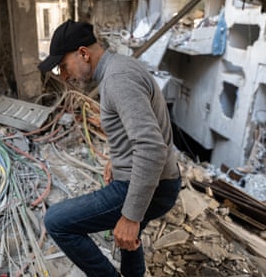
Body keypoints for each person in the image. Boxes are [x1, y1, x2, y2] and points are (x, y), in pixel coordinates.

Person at [39, 19, 181, 277]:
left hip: (153, 185)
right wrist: (118, 158)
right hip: (158, 180)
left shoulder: (118, 79)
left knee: (57, 222)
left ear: (83, 53)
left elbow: (150, 146)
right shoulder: (120, 68)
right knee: (125, 239)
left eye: (64, 66)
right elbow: (141, 130)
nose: (65, 76)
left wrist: (131, 216)